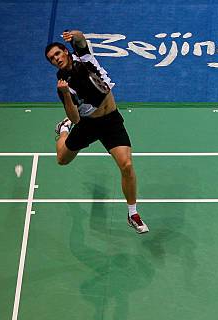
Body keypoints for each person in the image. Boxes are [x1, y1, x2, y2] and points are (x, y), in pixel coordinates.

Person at [45, 30, 148, 233]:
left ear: (66, 51)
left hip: (111, 120)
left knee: (126, 165)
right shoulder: (63, 85)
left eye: (57, 54)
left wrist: (77, 34)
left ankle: (132, 213)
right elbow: (76, 118)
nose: (56, 59)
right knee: (62, 159)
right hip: (88, 124)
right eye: (51, 59)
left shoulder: (84, 58)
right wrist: (66, 94)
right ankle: (63, 130)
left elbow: (81, 40)